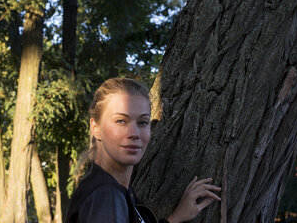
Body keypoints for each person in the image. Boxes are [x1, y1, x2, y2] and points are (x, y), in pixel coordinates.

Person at [65, 78, 221, 223]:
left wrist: (175, 218)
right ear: (95, 127)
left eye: (142, 122)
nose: (134, 133)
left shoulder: (118, 191)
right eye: (121, 121)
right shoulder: (105, 197)